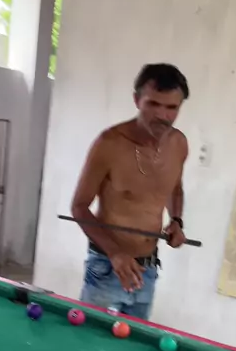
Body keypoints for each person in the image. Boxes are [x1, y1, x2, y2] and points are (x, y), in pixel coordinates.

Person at [71, 63, 190, 320]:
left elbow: (175, 188)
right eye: (153, 104)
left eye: (172, 108)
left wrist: (176, 221)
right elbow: (79, 207)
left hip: (148, 268)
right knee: (89, 338)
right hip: (107, 266)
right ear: (137, 100)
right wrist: (115, 253)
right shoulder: (109, 143)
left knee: (133, 340)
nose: (162, 115)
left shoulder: (179, 144)